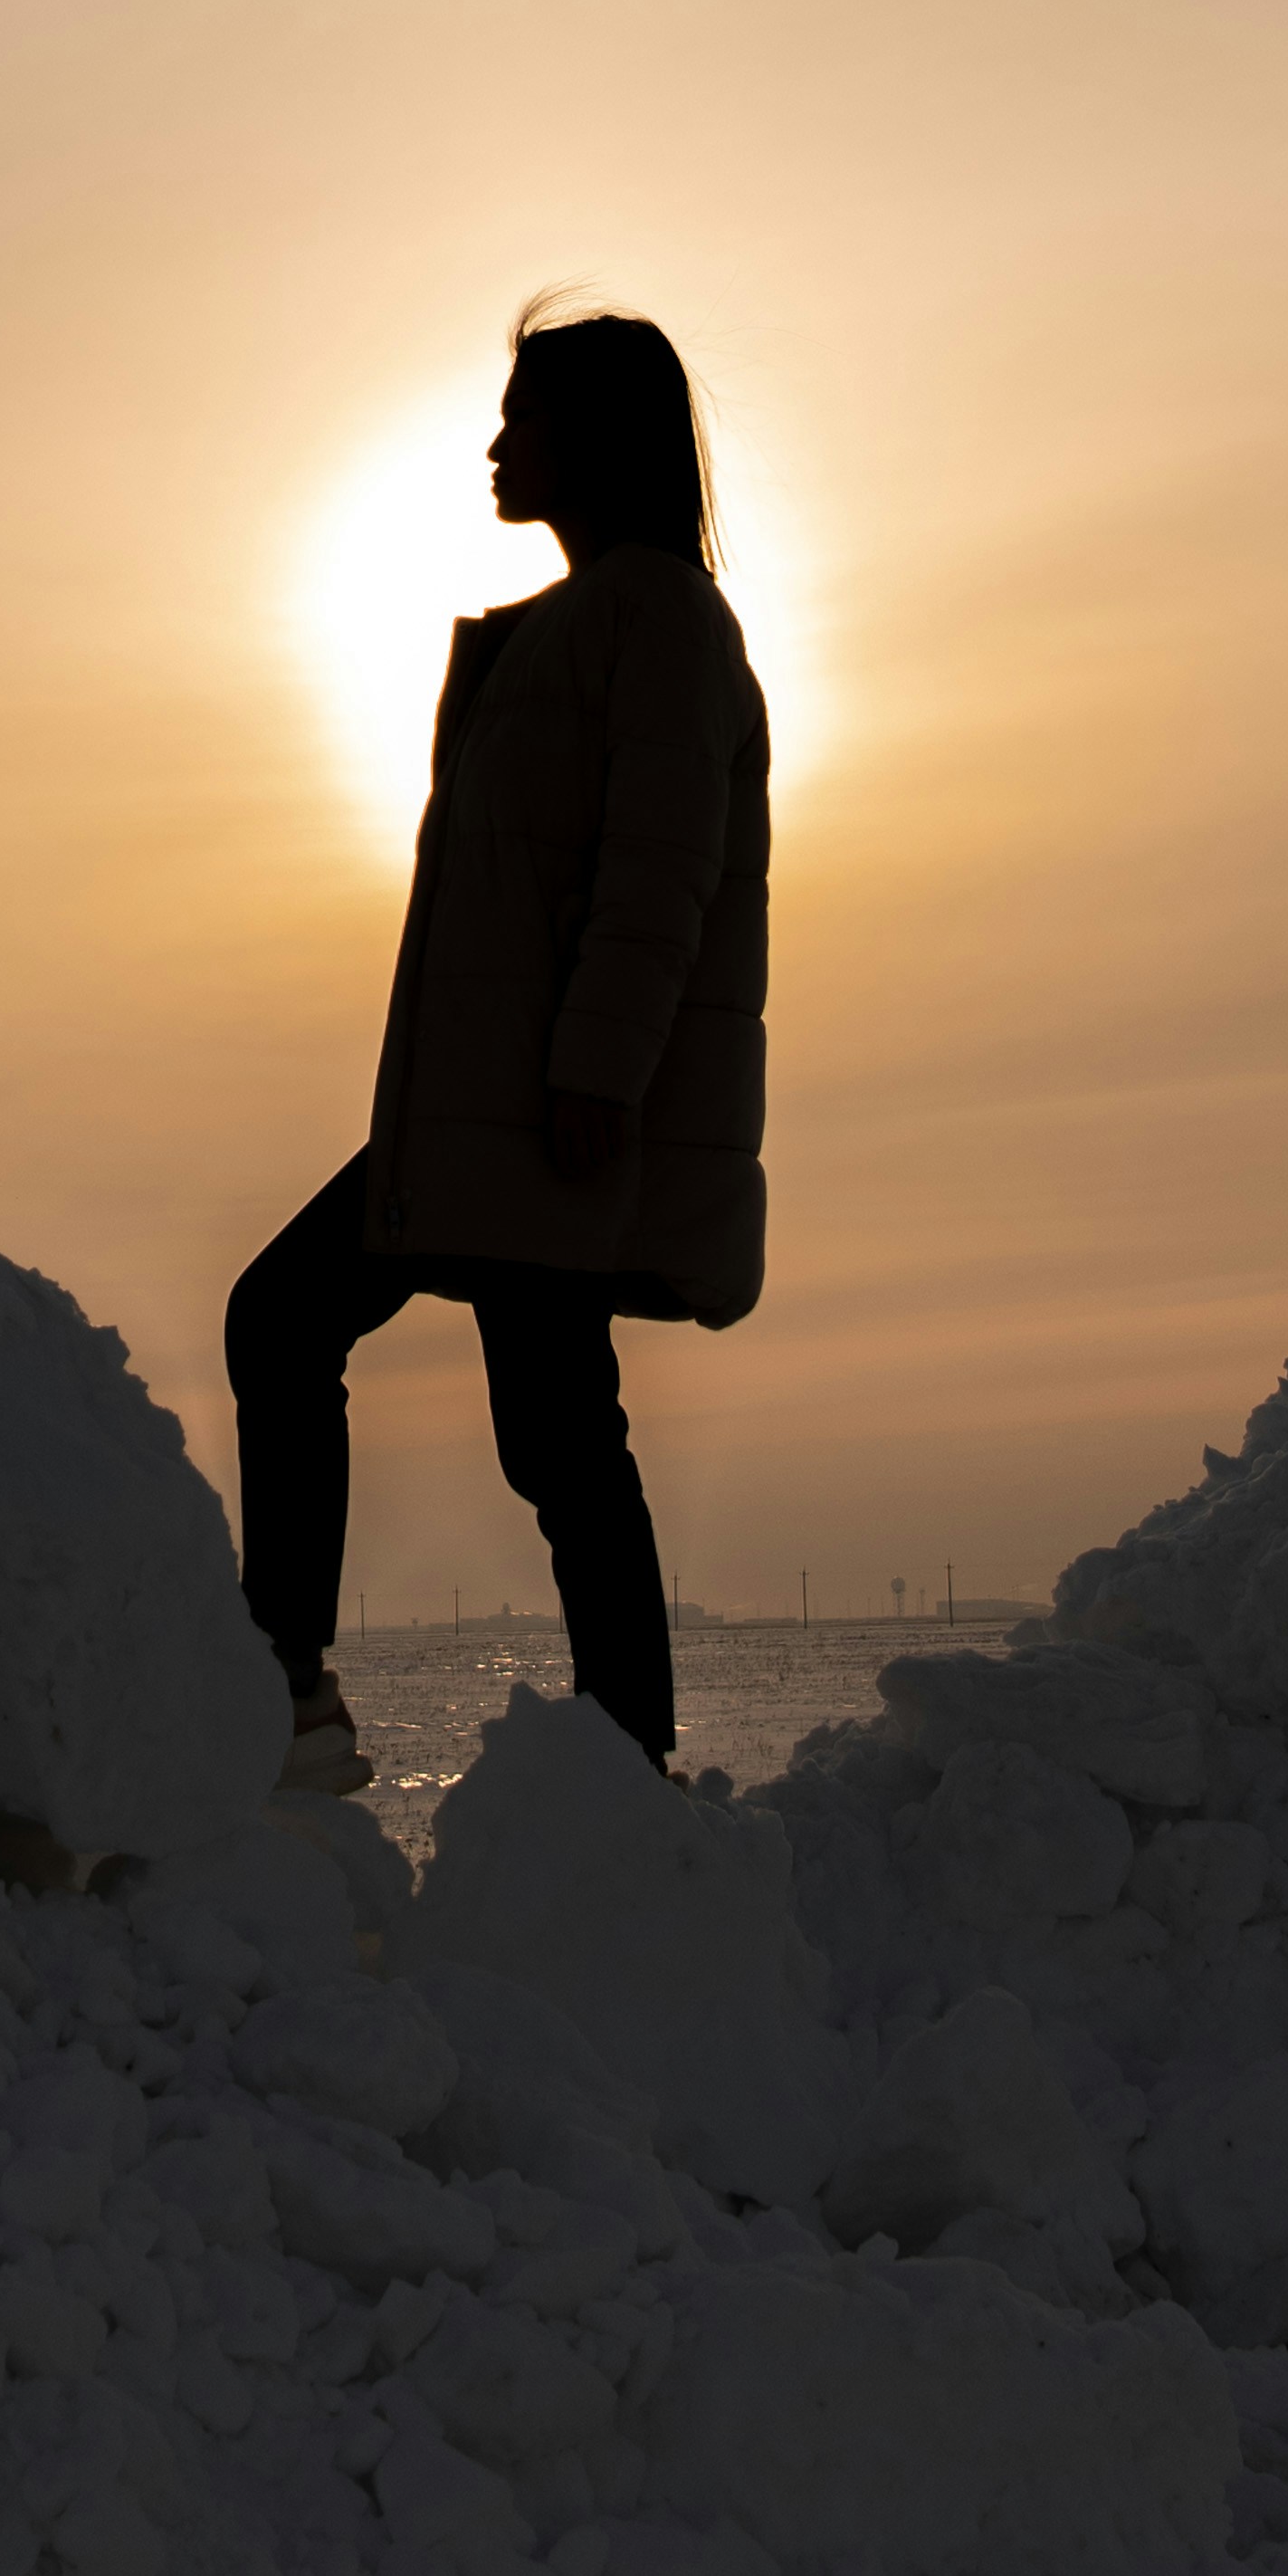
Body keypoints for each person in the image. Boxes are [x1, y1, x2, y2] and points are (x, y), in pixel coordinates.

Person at [225, 303, 772, 1791]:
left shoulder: (653, 614)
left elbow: (659, 867)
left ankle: (314, 1694)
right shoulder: (584, 625)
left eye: (523, 415)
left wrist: (598, 1067)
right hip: (490, 1108)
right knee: (521, 1416)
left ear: (595, 438)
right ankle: (599, 1755)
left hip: (541, 1108)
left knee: (505, 1415)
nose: (492, 442)